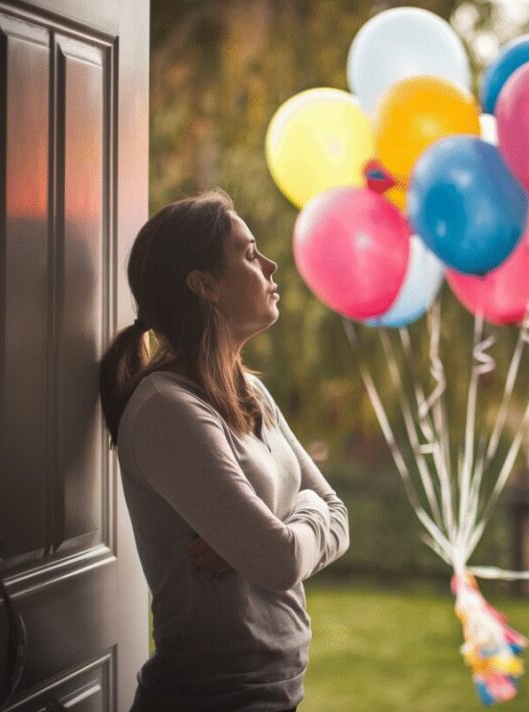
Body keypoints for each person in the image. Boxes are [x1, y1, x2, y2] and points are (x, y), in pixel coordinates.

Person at [99, 189, 349, 712]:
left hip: (275, 694)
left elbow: (338, 514)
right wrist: (275, 529)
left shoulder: (252, 392)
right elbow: (279, 562)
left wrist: (271, 521)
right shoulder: (167, 409)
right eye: (250, 253)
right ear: (205, 286)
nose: (271, 264)